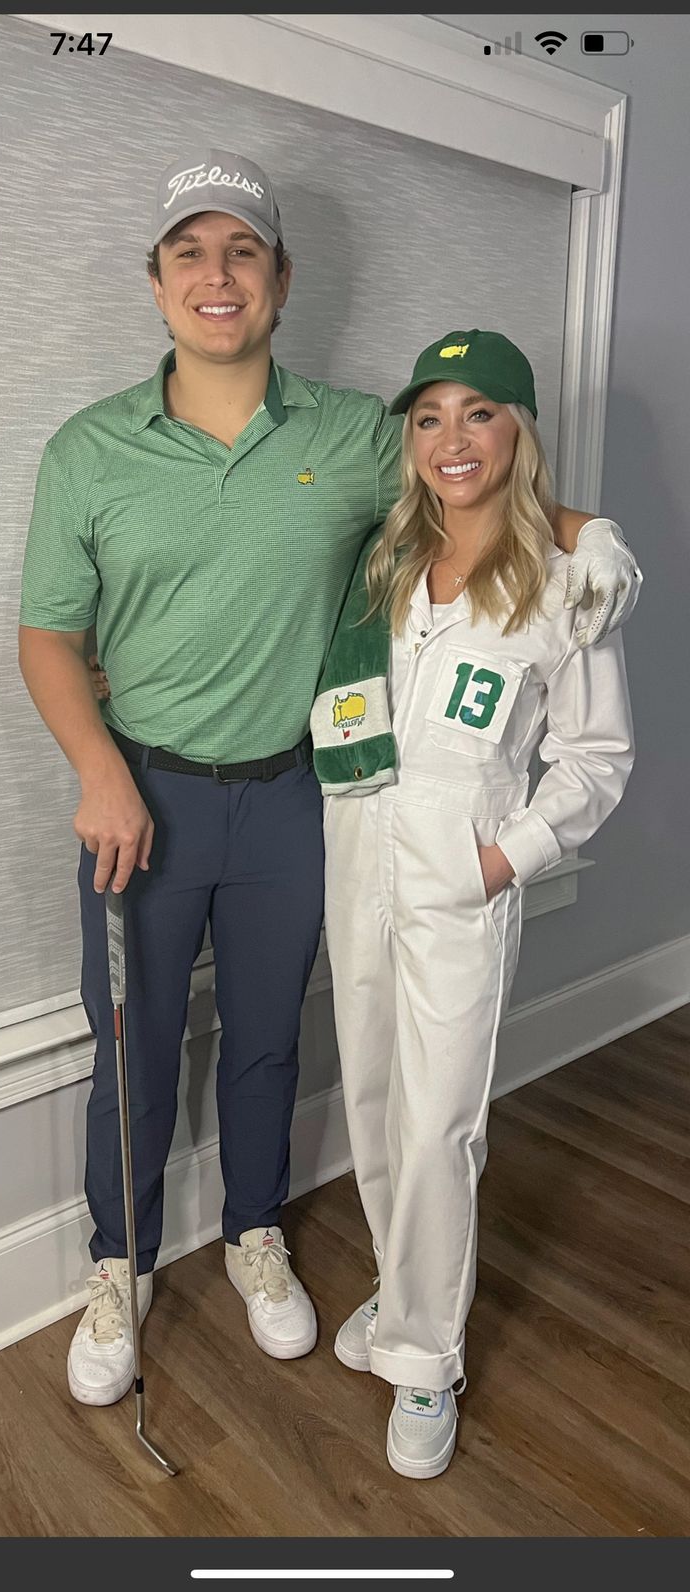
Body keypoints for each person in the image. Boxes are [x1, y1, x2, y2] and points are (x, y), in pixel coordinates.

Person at [18, 146, 640, 1410]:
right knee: (132, 1042)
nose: (217, 273)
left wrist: (593, 534)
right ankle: (118, 1262)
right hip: (140, 794)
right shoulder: (88, 448)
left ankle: (253, 1232)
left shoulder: (361, 434)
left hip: (299, 800)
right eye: (190, 250)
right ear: (156, 283)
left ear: (281, 280)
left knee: (261, 1039)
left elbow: (486, 481)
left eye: (242, 250)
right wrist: (97, 771)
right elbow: (46, 634)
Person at [312, 328, 635, 1479]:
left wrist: (505, 858)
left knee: (441, 1120)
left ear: (519, 430)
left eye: (479, 413)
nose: (453, 439)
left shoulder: (565, 581)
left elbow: (597, 756)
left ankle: (428, 1360)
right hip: (359, 856)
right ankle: (404, 1298)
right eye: (431, 416)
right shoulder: (383, 558)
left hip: (460, 874)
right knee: (376, 1096)